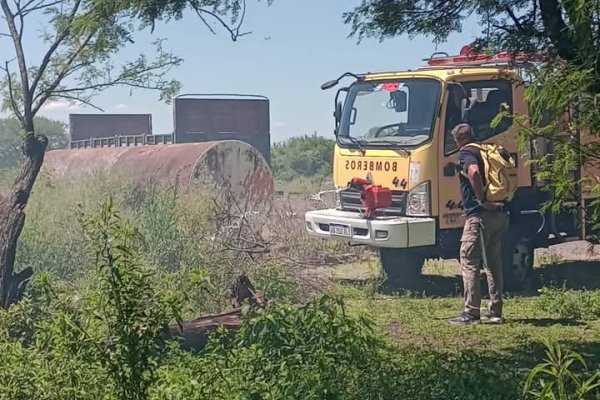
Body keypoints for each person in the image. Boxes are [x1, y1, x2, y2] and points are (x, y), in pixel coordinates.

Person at [447, 123, 509, 325]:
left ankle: (471, 312)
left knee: (469, 260)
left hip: (479, 216)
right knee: (493, 263)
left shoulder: (466, 153)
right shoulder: (485, 149)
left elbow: (473, 172)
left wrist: (481, 200)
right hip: (499, 214)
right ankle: (495, 311)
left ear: (458, 140)